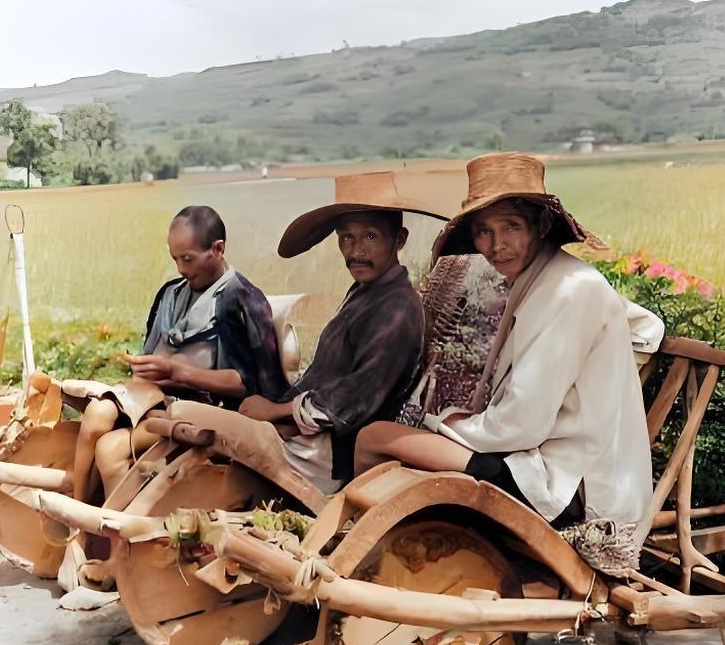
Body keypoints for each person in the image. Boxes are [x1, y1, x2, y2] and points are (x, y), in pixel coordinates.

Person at [355, 152, 664, 529]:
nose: (497, 245)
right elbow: (646, 324)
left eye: (511, 226)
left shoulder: (568, 289)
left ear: (541, 224)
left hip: (568, 489)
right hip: (548, 463)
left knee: (375, 436)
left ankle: (363, 539)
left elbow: (523, 425)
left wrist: (450, 423)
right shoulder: (555, 279)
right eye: (484, 231)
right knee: (402, 439)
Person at [237, 172, 446, 494]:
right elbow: (326, 377)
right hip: (312, 437)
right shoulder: (366, 291)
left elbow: (358, 395)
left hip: (334, 456)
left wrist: (276, 411)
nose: (356, 251)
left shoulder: (398, 308)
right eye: (346, 238)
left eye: (371, 237)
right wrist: (282, 420)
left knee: (212, 433)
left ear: (399, 239)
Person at [73, 204, 285, 500]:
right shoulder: (170, 293)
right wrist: (146, 367)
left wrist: (178, 372)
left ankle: (113, 529)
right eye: (175, 259)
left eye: (188, 258)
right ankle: (76, 507)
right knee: (95, 416)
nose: (181, 269)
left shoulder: (243, 301)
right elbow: (153, 347)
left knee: (110, 449)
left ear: (218, 249)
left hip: (205, 410)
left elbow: (253, 386)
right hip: (155, 396)